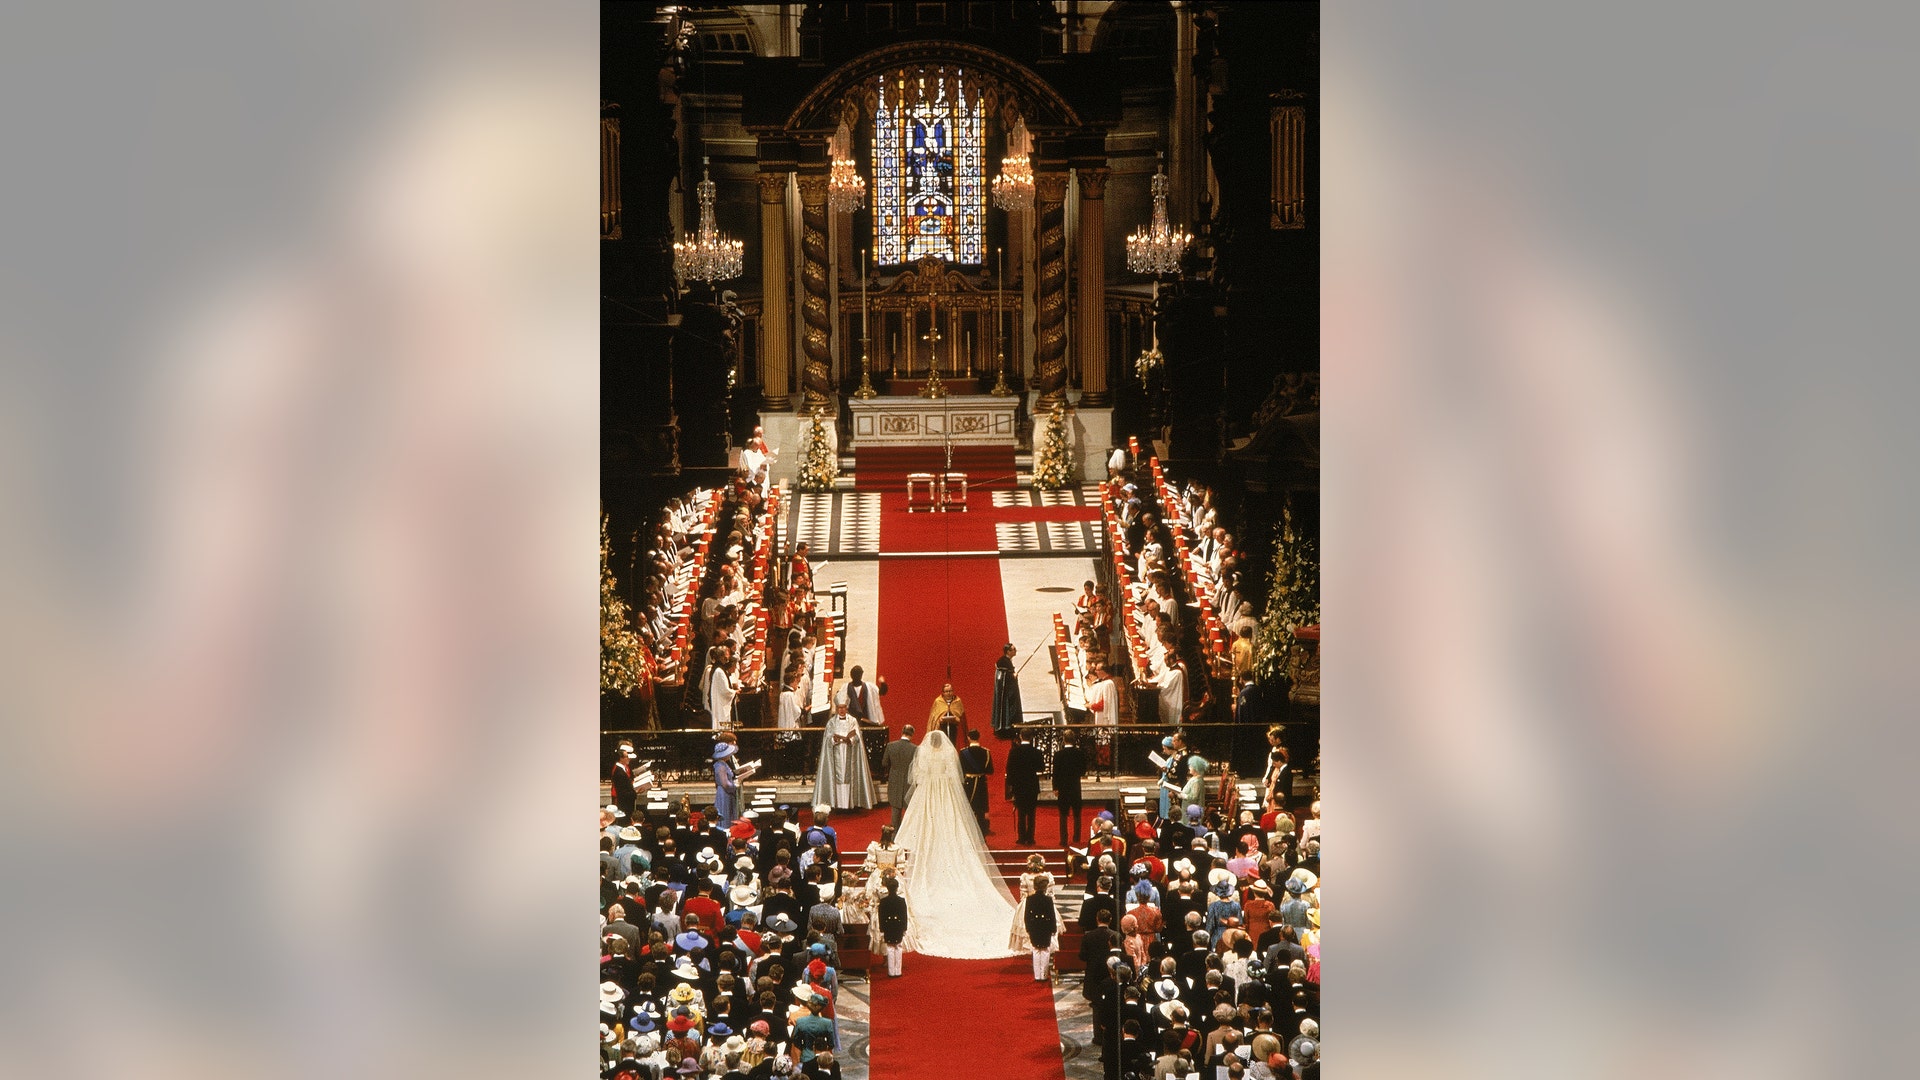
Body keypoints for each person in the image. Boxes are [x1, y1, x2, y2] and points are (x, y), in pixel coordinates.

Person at [891, 729, 1018, 958]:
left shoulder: (924, 754)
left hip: (929, 793)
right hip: (946, 793)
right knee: (951, 821)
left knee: (928, 822)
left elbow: (917, 777)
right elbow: (954, 776)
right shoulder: (949, 755)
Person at [811, 696, 877, 810]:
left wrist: (850, 739)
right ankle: (837, 805)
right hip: (836, 753)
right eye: (839, 707)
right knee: (838, 779)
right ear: (836, 708)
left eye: (843, 707)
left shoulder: (852, 721)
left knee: (848, 778)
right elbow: (827, 738)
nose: (841, 710)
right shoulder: (831, 722)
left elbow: (857, 736)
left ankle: (849, 804)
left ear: (847, 708)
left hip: (849, 753)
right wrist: (833, 740)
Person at [1004, 728, 1044, 846]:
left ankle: (1021, 838)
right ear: (1031, 737)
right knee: (1031, 814)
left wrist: (1011, 785)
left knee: (1021, 813)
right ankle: (1030, 838)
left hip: (1019, 785)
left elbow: (1009, 769)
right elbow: (1041, 768)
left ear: (1021, 736)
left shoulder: (1014, 751)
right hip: (1032, 784)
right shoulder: (1036, 752)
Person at [1052, 729, 1088, 846]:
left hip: (1062, 788)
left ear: (1064, 740)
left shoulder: (1058, 755)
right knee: (1077, 814)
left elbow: (1055, 773)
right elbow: (1083, 771)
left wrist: (1055, 787)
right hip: (1075, 787)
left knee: (1063, 814)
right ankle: (1076, 838)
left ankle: (1063, 839)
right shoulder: (1079, 753)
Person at [1023, 872, 1060, 982]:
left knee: (1035, 950)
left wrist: (1028, 928)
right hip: (1045, 926)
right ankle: (1043, 975)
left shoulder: (1029, 899)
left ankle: (1037, 975)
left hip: (1034, 926)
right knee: (1045, 950)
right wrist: (1053, 928)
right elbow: (1052, 915)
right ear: (1045, 887)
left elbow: (1027, 915)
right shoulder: (1048, 900)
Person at [881, 724, 918, 829]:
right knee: (908, 812)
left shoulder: (890, 746)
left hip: (894, 782)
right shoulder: (915, 749)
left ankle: (894, 837)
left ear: (902, 732)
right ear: (912, 735)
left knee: (895, 812)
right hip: (908, 783)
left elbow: (884, 763)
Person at [958, 730, 993, 834]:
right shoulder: (986, 752)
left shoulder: (963, 752)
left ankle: (969, 833)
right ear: (979, 737)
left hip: (968, 782)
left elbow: (961, 770)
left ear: (968, 738)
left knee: (969, 807)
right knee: (981, 809)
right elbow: (990, 770)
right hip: (981, 783)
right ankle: (982, 833)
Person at [876, 876, 909, 977]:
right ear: (897, 888)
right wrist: (904, 927)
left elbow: (881, 916)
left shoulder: (884, 901)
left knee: (890, 948)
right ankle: (898, 971)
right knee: (898, 947)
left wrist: (882, 928)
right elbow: (904, 915)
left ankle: (891, 972)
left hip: (888, 925)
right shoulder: (901, 901)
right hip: (898, 925)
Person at [990, 643, 1023, 737]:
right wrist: (1013, 676)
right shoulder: (1003, 662)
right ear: (1008, 651)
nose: (1015, 651)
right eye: (1014, 649)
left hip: (1009, 690)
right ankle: (1006, 728)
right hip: (1006, 693)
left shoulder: (1007, 661)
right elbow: (1004, 677)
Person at [706, 648, 737, 729]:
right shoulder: (719, 671)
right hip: (720, 703)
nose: (726, 659)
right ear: (721, 658)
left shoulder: (718, 669)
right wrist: (734, 692)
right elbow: (725, 691)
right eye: (724, 657)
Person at [712, 741, 740, 826]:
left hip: (725, 792)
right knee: (725, 812)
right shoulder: (721, 766)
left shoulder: (723, 764)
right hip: (724, 793)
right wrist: (735, 786)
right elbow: (725, 784)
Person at [611, 742, 638, 820]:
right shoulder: (619, 772)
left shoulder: (622, 769)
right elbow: (623, 792)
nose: (628, 758)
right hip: (623, 803)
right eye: (626, 757)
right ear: (621, 758)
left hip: (627, 801)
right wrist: (636, 792)